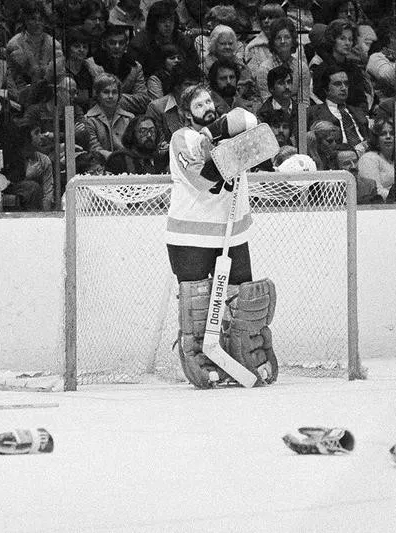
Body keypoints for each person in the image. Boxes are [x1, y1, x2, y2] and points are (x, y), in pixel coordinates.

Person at [167, 84, 277, 388]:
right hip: (191, 237)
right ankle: (196, 359)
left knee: (244, 300)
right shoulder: (182, 138)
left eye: (209, 101)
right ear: (186, 114)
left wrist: (215, 135)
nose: (207, 107)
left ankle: (243, 355)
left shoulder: (223, 132)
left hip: (233, 234)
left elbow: (250, 120)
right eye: (199, 106)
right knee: (197, 308)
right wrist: (229, 152)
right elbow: (202, 181)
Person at [307, 63, 369, 156]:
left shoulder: (358, 111)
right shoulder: (312, 112)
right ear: (326, 89)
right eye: (338, 84)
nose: (344, 88)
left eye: (346, 84)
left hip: (366, 156)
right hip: (335, 158)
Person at [145, 62, 202, 148]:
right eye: (188, 84)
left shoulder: (203, 105)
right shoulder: (157, 108)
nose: (193, 89)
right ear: (176, 86)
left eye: (196, 85)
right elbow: (155, 143)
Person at [84, 73, 135, 160]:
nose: (110, 96)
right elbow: (95, 150)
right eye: (106, 92)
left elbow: (134, 147)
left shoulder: (129, 118)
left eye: (114, 92)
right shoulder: (89, 119)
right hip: (100, 167)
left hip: (128, 166)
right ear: (98, 95)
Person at [357, 117, 395, 200]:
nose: (388, 137)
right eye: (383, 134)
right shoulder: (369, 159)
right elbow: (375, 192)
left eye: (392, 133)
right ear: (376, 138)